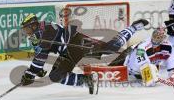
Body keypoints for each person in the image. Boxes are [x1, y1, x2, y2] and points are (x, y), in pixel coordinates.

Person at [20, 13, 148, 94]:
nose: (26, 33)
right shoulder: (39, 33)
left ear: (33, 26)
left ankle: (134, 27)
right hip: (67, 52)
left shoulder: (44, 30)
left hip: (77, 42)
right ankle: (87, 80)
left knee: (110, 48)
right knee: (55, 76)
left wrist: (30, 74)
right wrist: (36, 71)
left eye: (26, 29)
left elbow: (40, 58)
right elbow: (41, 57)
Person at [109, 27, 174, 86]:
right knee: (108, 73)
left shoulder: (169, 47)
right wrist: (151, 73)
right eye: (155, 36)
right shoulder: (143, 46)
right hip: (126, 59)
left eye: (159, 37)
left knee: (151, 81)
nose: (156, 39)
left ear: (164, 38)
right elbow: (139, 64)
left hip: (142, 69)